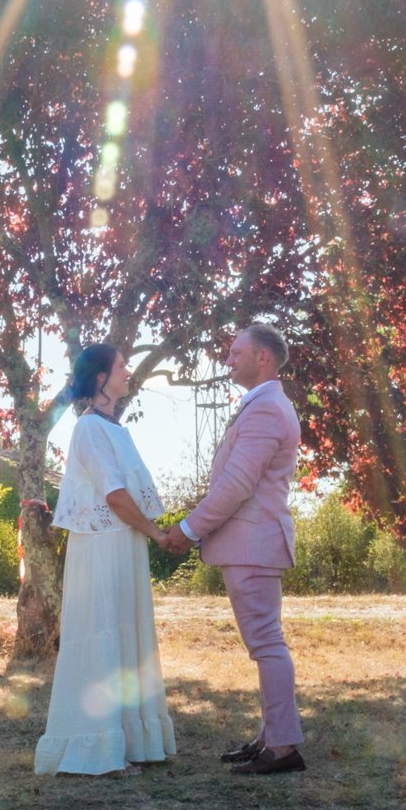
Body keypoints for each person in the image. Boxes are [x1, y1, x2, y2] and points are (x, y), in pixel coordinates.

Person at [159, 324, 305, 776]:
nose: (228, 360)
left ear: (263, 357)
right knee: (264, 644)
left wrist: (188, 529)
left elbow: (237, 485)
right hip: (253, 543)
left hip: (252, 543)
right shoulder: (264, 404)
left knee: (266, 645)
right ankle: (271, 737)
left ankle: (282, 748)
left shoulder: (265, 410)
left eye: (235, 352)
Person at [34, 344, 176, 776]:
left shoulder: (118, 430)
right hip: (101, 548)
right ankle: (97, 749)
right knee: (102, 633)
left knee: (127, 633)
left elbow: (126, 495)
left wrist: (152, 532)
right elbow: (114, 495)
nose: (127, 371)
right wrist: (156, 534)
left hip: (124, 545)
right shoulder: (89, 429)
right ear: (100, 378)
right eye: (120, 366)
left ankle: (133, 742)